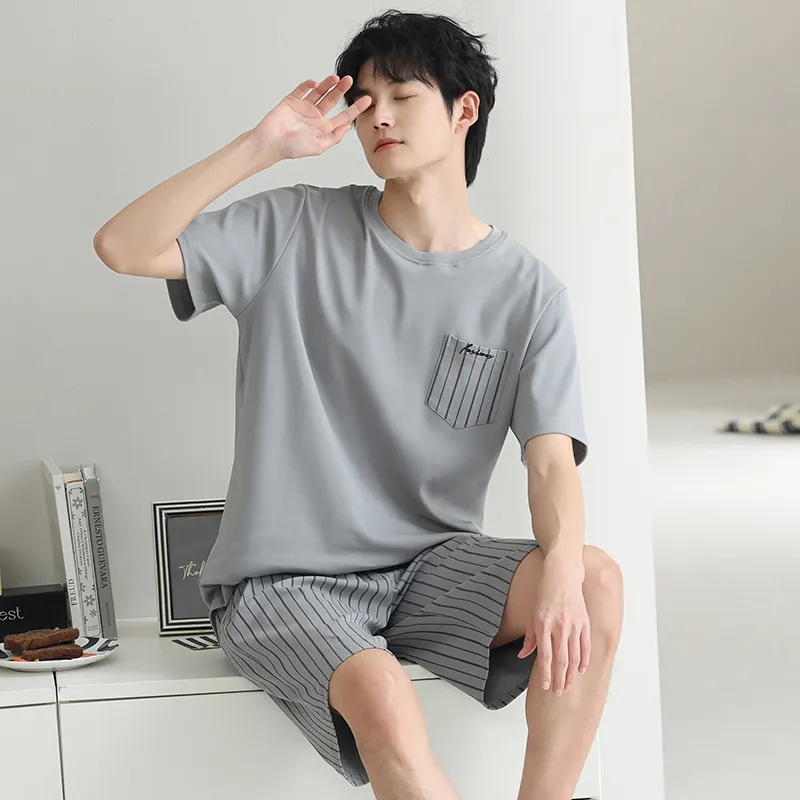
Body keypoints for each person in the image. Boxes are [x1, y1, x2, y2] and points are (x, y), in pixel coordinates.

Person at [93, 9, 623, 799]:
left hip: (432, 570)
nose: (378, 117)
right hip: (284, 582)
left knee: (595, 579)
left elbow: (551, 465)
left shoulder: (528, 292)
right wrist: (261, 146)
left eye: (403, 96)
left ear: (464, 109)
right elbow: (122, 247)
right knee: (380, 690)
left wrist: (561, 576)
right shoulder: (294, 227)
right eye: (366, 100)